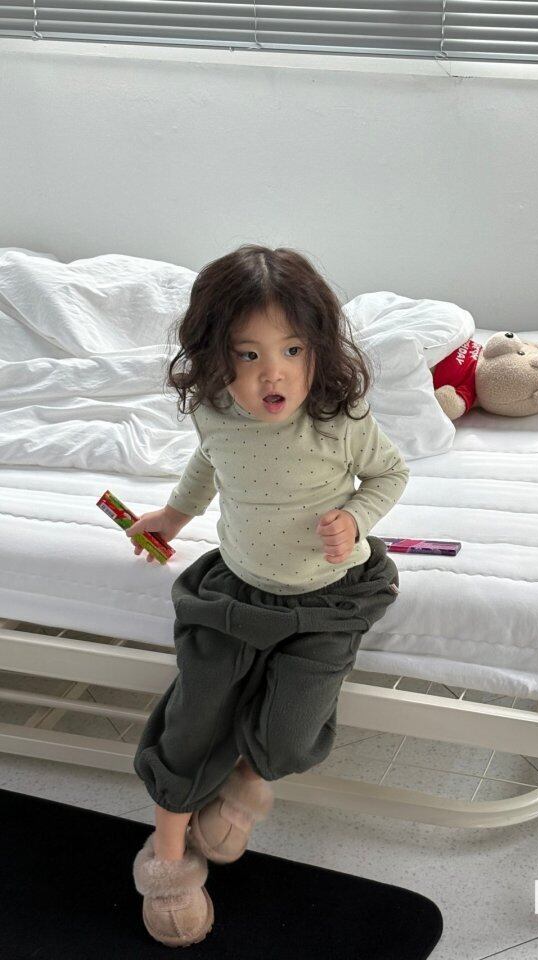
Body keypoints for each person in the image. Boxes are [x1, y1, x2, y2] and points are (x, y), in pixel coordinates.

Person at [128, 244, 409, 947]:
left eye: (291, 350)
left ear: (319, 349)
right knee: (192, 719)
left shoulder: (339, 421)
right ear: (216, 358)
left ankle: (245, 786)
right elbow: (207, 462)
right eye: (248, 355)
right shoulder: (217, 412)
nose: (272, 373)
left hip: (329, 600)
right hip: (237, 593)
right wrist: (174, 516)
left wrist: (356, 520)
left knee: (291, 732)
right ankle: (168, 862)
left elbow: (390, 475)